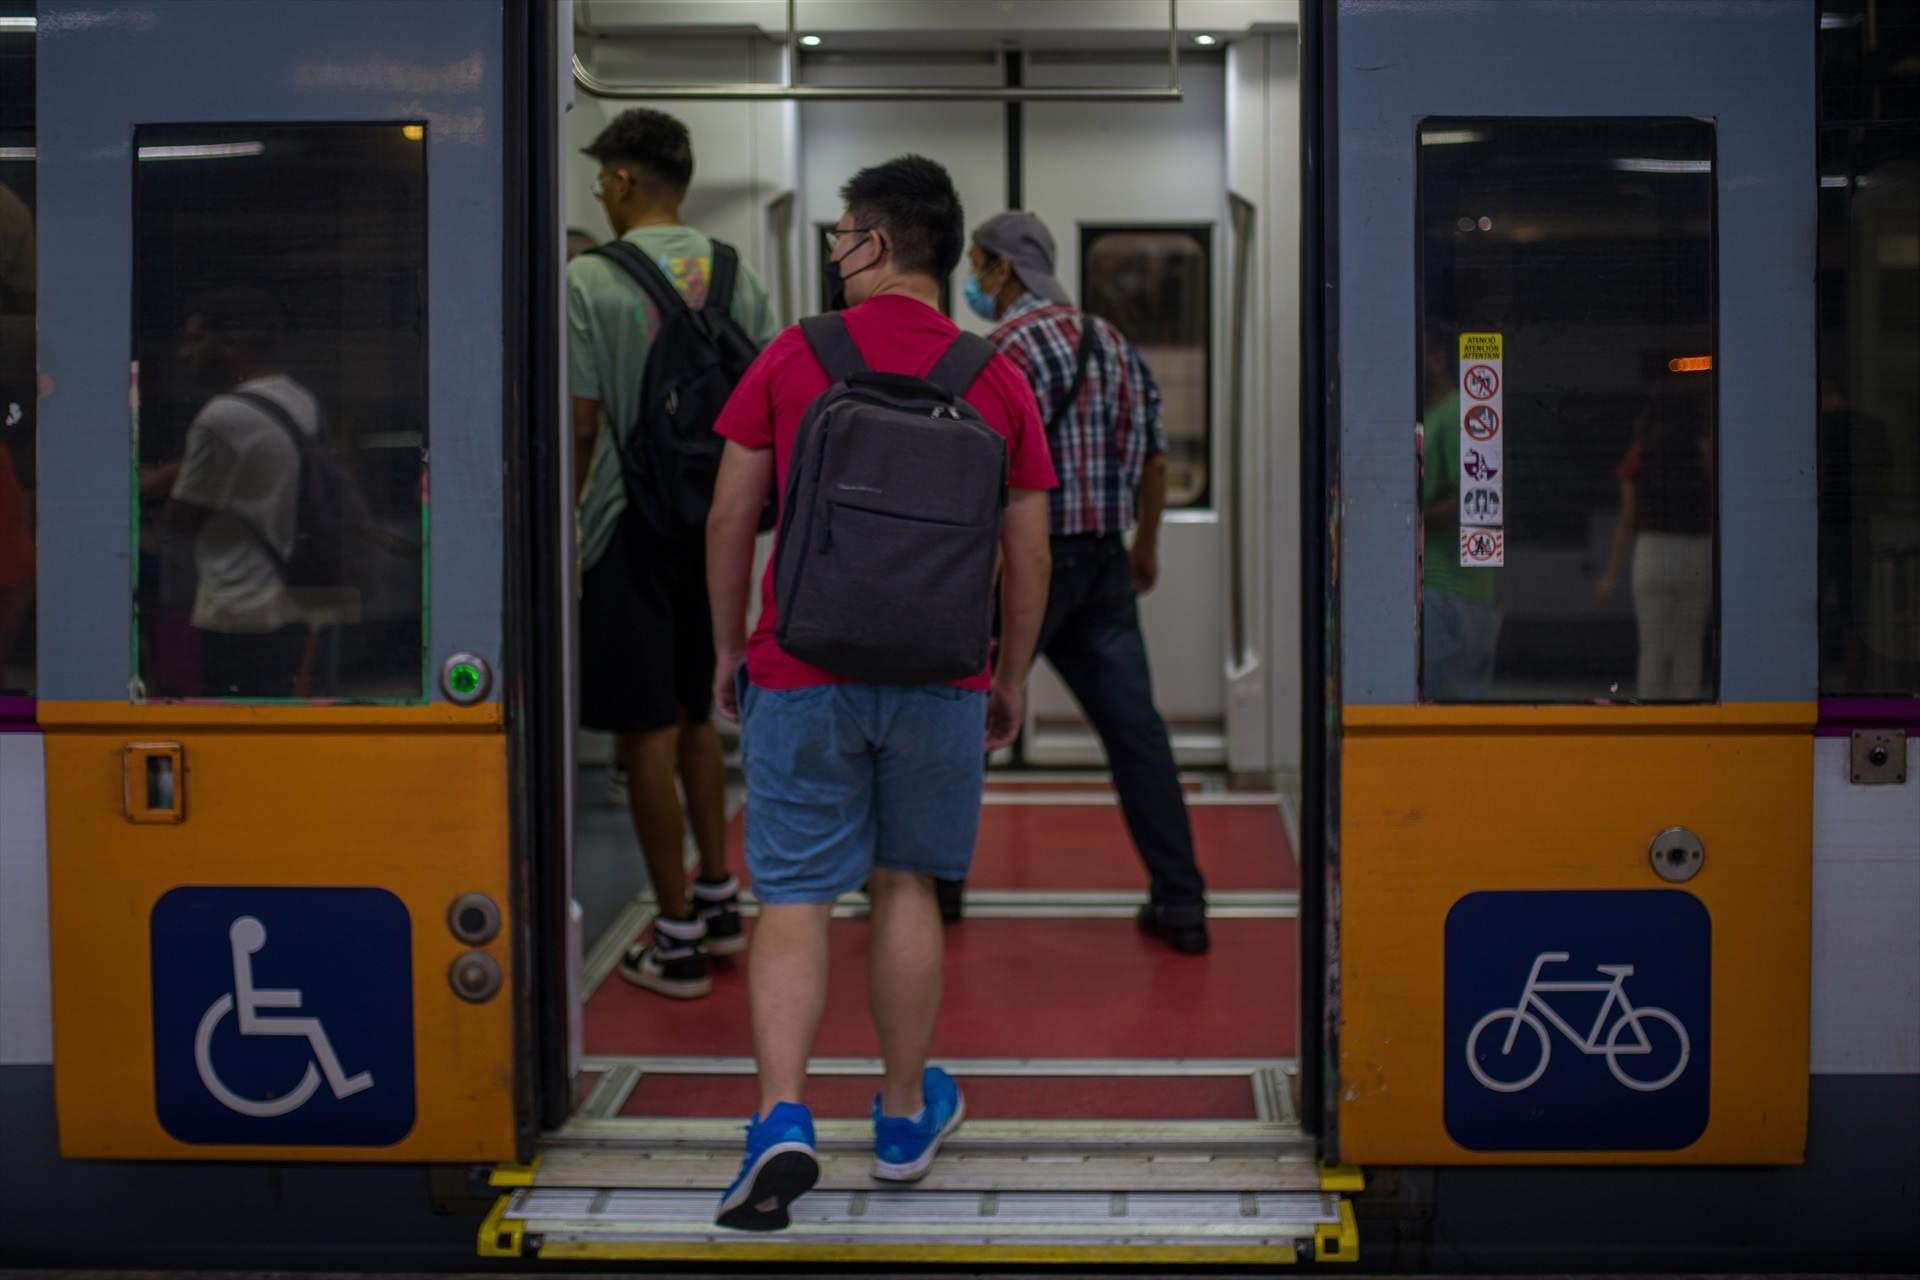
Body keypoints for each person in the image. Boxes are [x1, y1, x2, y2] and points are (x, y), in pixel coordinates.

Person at [704, 155, 1055, 1231]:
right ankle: (903, 1120)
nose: (833, 251)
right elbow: (1029, 546)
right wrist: (1010, 673)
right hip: (941, 677)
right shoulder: (995, 374)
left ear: (875, 242)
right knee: (906, 884)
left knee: (795, 892)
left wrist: (732, 649)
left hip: (801, 666)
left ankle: (781, 1118)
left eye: (842, 233)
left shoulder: (791, 356)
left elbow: (729, 517)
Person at [570, 108, 780, 1000]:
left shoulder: (589, 279)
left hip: (628, 527)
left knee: (643, 734)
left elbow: (581, 425)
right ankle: (719, 896)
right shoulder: (740, 276)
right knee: (702, 714)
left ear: (622, 182)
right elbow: (770, 411)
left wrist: (566, 533)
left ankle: (679, 937)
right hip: (717, 530)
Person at [965, 210, 1209, 955]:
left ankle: (934, 890)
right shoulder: (1111, 341)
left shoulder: (997, 350)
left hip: (1025, 571)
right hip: (1104, 564)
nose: (974, 282)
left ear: (1003, 270)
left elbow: (986, 478)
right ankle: (1181, 906)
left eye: (978, 266)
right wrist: (1145, 547)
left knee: (965, 730)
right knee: (1138, 738)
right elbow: (1159, 459)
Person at [157, 289, 317, 699]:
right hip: (289, 602)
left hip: (235, 612)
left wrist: (154, 483)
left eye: (196, 340)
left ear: (229, 345)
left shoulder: (221, 417)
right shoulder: (298, 402)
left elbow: (182, 520)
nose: (184, 353)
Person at [1595, 389, 1714, 700]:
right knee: (1689, 647)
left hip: (1653, 551)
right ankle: (1686, 722)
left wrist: (1609, 576)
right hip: (1697, 551)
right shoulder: (1703, 451)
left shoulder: (1640, 454)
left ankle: (1654, 719)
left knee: (1653, 648)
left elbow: (1627, 519)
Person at [1419, 339, 1500, 700]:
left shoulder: (1456, 415)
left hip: (1449, 591)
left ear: (1436, 359)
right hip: (1464, 592)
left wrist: (1402, 517)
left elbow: (1473, 503)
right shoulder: (1440, 414)